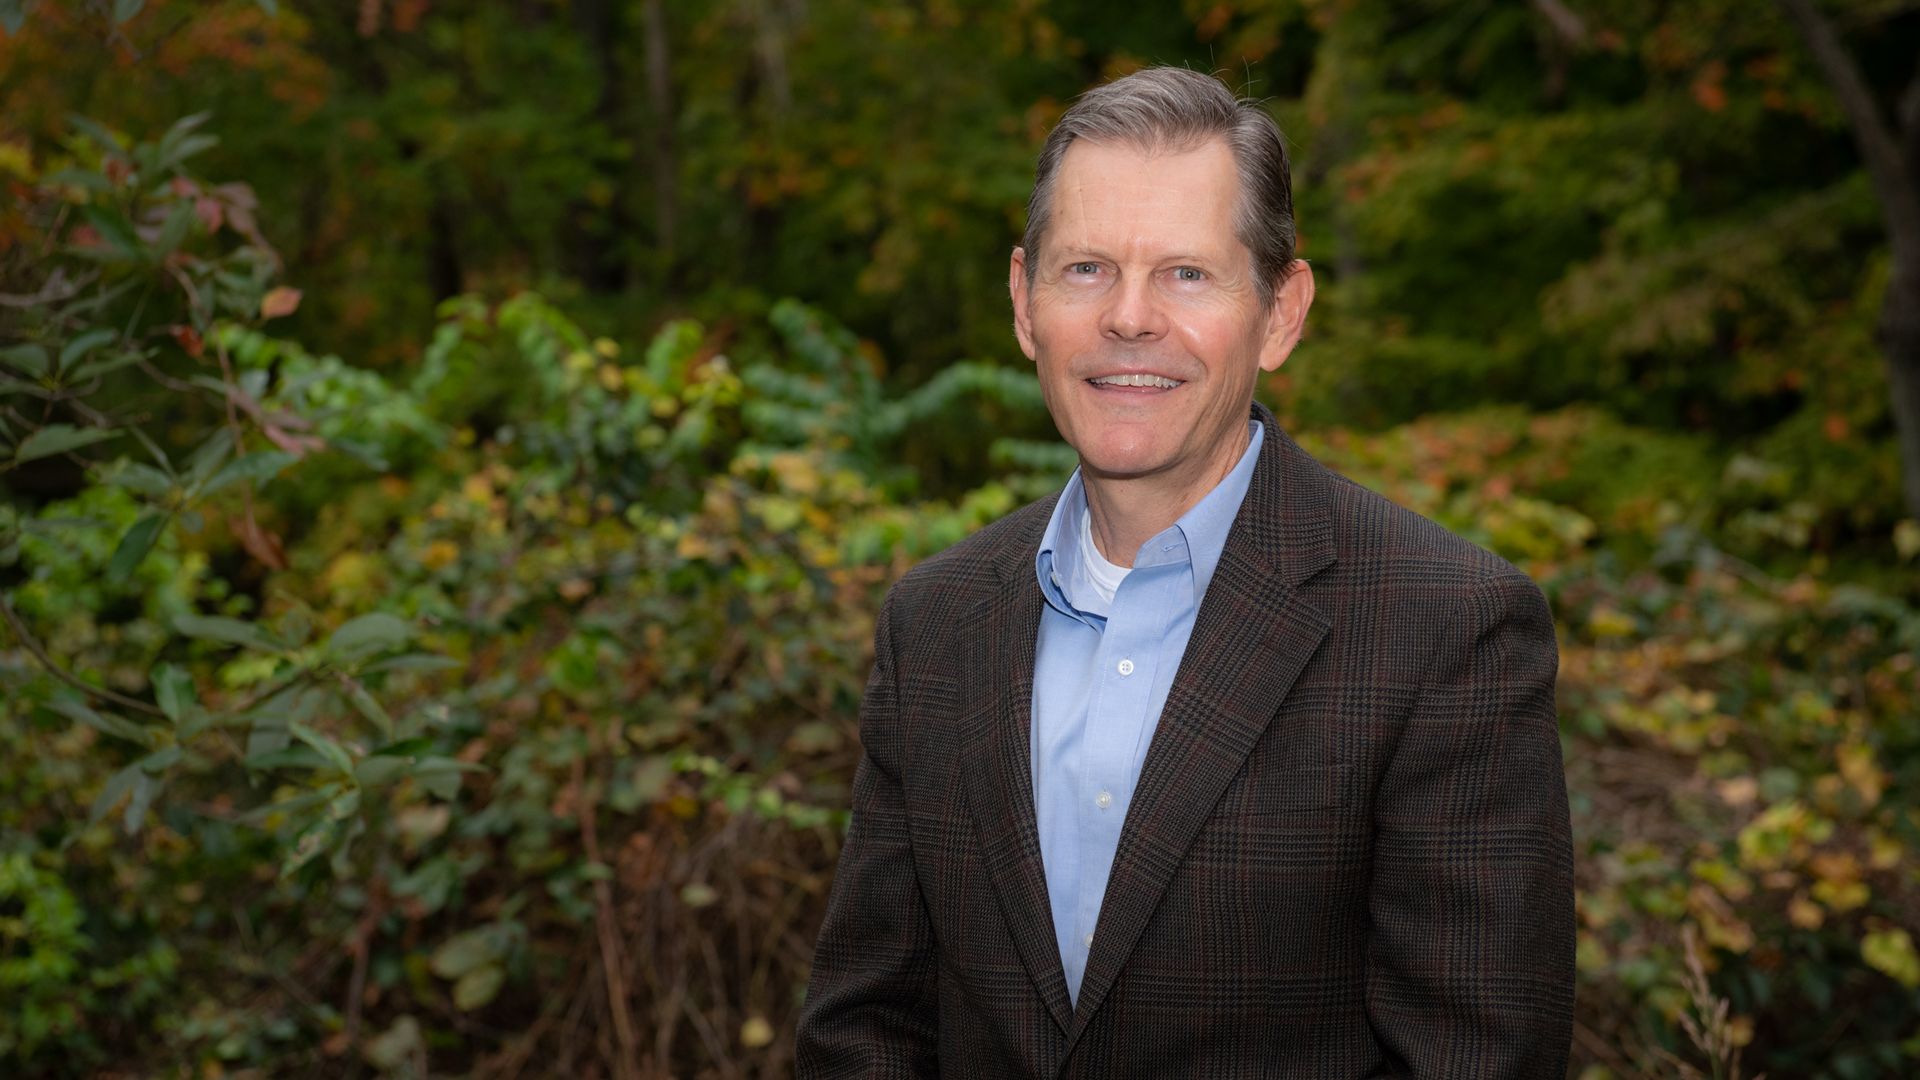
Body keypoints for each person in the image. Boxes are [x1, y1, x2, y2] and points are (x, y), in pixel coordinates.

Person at [796, 66, 1574, 1078]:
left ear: (1281, 312)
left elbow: (1479, 1062)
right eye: (1086, 270)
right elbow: (866, 1029)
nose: (1129, 318)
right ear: (1026, 304)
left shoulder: (1450, 629)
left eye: (1186, 274)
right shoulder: (936, 621)